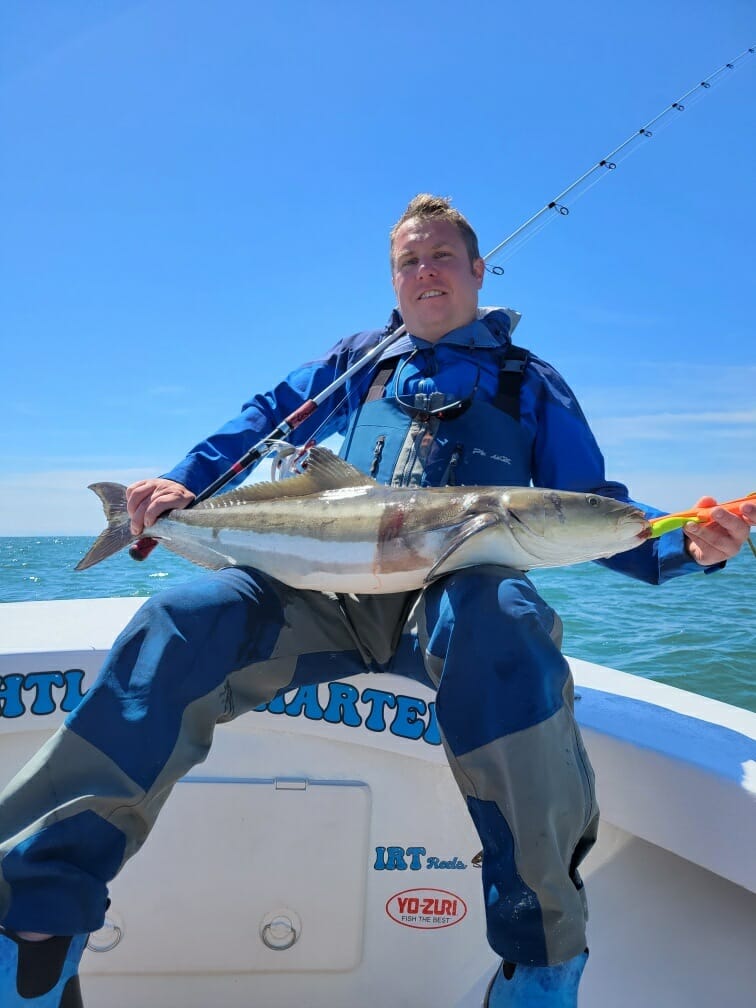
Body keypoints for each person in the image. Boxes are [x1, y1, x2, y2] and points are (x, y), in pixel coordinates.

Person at [0, 195, 753, 1008]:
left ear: (476, 270)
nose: (425, 272)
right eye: (408, 262)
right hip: (321, 594)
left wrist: (683, 545)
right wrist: (188, 479)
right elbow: (261, 420)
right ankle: (35, 926)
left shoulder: (528, 382)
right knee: (177, 620)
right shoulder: (360, 360)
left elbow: (589, 510)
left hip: (449, 607)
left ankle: (541, 960)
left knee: (504, 618)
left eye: (440, 257)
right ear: (393, 281)